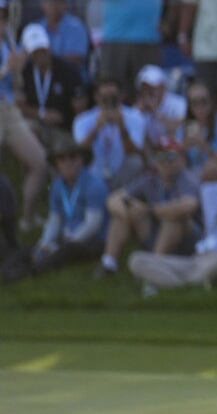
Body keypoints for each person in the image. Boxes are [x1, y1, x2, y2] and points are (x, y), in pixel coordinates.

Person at [128, 146, 217, 294]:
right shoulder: (208, 191)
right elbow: (183, 197)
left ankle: (168, 284)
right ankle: (183, 287)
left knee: (216, 265)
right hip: (200, 257)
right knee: (136, 260)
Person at [97, 136, 200, 278]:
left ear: (181, 159)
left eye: (170, 156)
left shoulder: (187, 179)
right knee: (123, 213)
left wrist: (149, 210)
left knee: (174, 218)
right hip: (155, 232)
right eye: (160, 156)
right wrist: (129, 213)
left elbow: (189, 206)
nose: (165, 161)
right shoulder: (150, 179)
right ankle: (108, 263)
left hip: (186, 240)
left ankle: (153, 268)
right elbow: (113, 199)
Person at [24, 141, 109, 278]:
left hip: (93, 241)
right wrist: (43, 243)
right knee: (29, 249)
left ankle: (31, 272)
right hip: (68, 239)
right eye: (62, 159)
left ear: (81, 159)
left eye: (72, 157)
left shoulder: (94, 184)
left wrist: (64, 246)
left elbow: (93, 225)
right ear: (57, 164)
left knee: (66, 251)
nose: (67, 162)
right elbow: (55, 219)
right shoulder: (57, 185)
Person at [0, 5, 50, 234]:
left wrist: (17, 71)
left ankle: (27, 219)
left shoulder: (8, 44)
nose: (3, 20)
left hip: (8, 111)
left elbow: (16, 86)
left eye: (4, 16)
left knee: (39, 161)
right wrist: (6, 69)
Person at [72, 77, 148, 190]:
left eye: (113, 98)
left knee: (136, 163)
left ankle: (120, 198)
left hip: (121, 175)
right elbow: (81, 153)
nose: (109, 102)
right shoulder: (83, 120)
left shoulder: (135, 117)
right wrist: (96, 129)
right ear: (96, 97)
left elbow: (135, 152)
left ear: (121, 96)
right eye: (104, 99)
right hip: (94, 175)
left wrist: (122, 128)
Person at [15, 23, 87, 144]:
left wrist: (76, 133)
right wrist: (41, 114)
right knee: (26, 129)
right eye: (35, 51)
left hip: (65, 128)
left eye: (43, 50)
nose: (40, 55)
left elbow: (80, 107)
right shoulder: (23, 72)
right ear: (27, 53)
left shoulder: (68, 70)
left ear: (49, 47)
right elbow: (17, 105)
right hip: (36, 125)